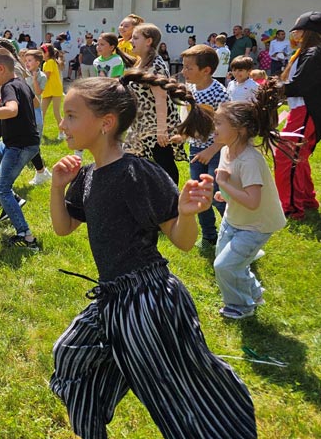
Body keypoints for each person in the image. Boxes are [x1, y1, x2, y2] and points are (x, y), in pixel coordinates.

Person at [48, 76, 255, 439]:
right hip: (113, 298)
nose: (62, 124)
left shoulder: (136, 173)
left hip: (149, 302)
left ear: (105, 122)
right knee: (70, 356)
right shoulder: (89, 175)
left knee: (177, 395)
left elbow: (182, 241)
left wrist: (186, 214)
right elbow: (64, 227)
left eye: (71, 115)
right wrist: (57, 186)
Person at [212, 82, 287, 319]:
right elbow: (238, 187)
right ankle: (254, 292)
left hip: (256, 225)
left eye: (219, 123)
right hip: (234, 219)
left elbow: (253, 201)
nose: (214, 127)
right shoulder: (225, 151)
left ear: (239, 129)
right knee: (228, 262)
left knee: (225, 265)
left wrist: (223, 184)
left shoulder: (250, 160)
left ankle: (242, 306)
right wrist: (225, 194)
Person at [0, 48, 41, 250]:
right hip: (14, 142)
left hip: (20, 145)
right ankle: (14, 200)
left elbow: (12, 111)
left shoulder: (8, 87)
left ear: (1, 69)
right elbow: (35, 102)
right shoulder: (21, 83)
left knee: (1, 189)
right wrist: (3, 103)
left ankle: (26, 236)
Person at [179, 44, 230, 247]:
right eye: (183, 66)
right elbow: (190, 119)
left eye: (188, 68)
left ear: (206, 70)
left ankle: (233, 234)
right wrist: (182, 136)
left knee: (217, 195)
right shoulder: (190, 90)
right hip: (196, 149)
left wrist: (212, 149)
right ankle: (209, 236)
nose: (183, 71)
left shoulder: (220, 94)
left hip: (217, 150)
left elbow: (229, 128)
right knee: (199, 194)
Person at [124, 23, 186, 184]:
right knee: (136, 165)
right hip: (141, 126)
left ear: (148, 41)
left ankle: (171, 197)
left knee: (164, 167)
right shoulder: (140, 62)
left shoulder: (155, 66)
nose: (131, 41)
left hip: (156, 126)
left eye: (135, 38)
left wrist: (161, 130)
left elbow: (161, 98)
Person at [274, 11, 321, 220]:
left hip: (305, 110)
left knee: (286, 157)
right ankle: (306, 200)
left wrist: (275, 89)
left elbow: (300, 85)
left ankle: (291, 207)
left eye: (298, 30)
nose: (294, 34)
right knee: (299, 158)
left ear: (309, 31)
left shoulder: (313, 53)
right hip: (300, 109)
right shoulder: (306, 53)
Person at [22, 49, 52, 185]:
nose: (27, 63)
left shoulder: (42, 76)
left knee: (35, 133)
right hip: (24, 108)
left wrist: (34, 79)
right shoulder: (24, 73)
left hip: (35, 108)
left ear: (38, 62)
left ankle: (37, 161)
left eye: (29, 60)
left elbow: (39, 92)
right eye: (26, 60)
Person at [41, 44, 64, 139]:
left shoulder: (50, 62)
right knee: (41, 112)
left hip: (55, 89)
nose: (41, 54)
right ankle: (39, 131)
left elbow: (46, 76)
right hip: (47, 90)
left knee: (56, 112)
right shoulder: (45, 63)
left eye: (42, 52)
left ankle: (62, 132)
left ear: (47, 53)